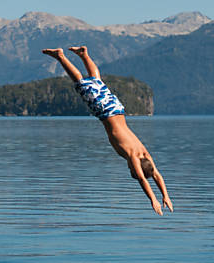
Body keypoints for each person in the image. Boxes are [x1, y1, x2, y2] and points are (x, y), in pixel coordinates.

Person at [42, 46, 173, 215]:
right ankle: (61, 57)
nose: (130, 169)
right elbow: (142, 178)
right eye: (131, 170)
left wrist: (165, 195)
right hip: (105, 112)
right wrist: (153, 199)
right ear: (136, 167)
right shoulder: (133, 155)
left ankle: (84, 55)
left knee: (97, 81)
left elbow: (156, 175)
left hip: (117, 109)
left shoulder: (145, 153)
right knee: (81, 83)